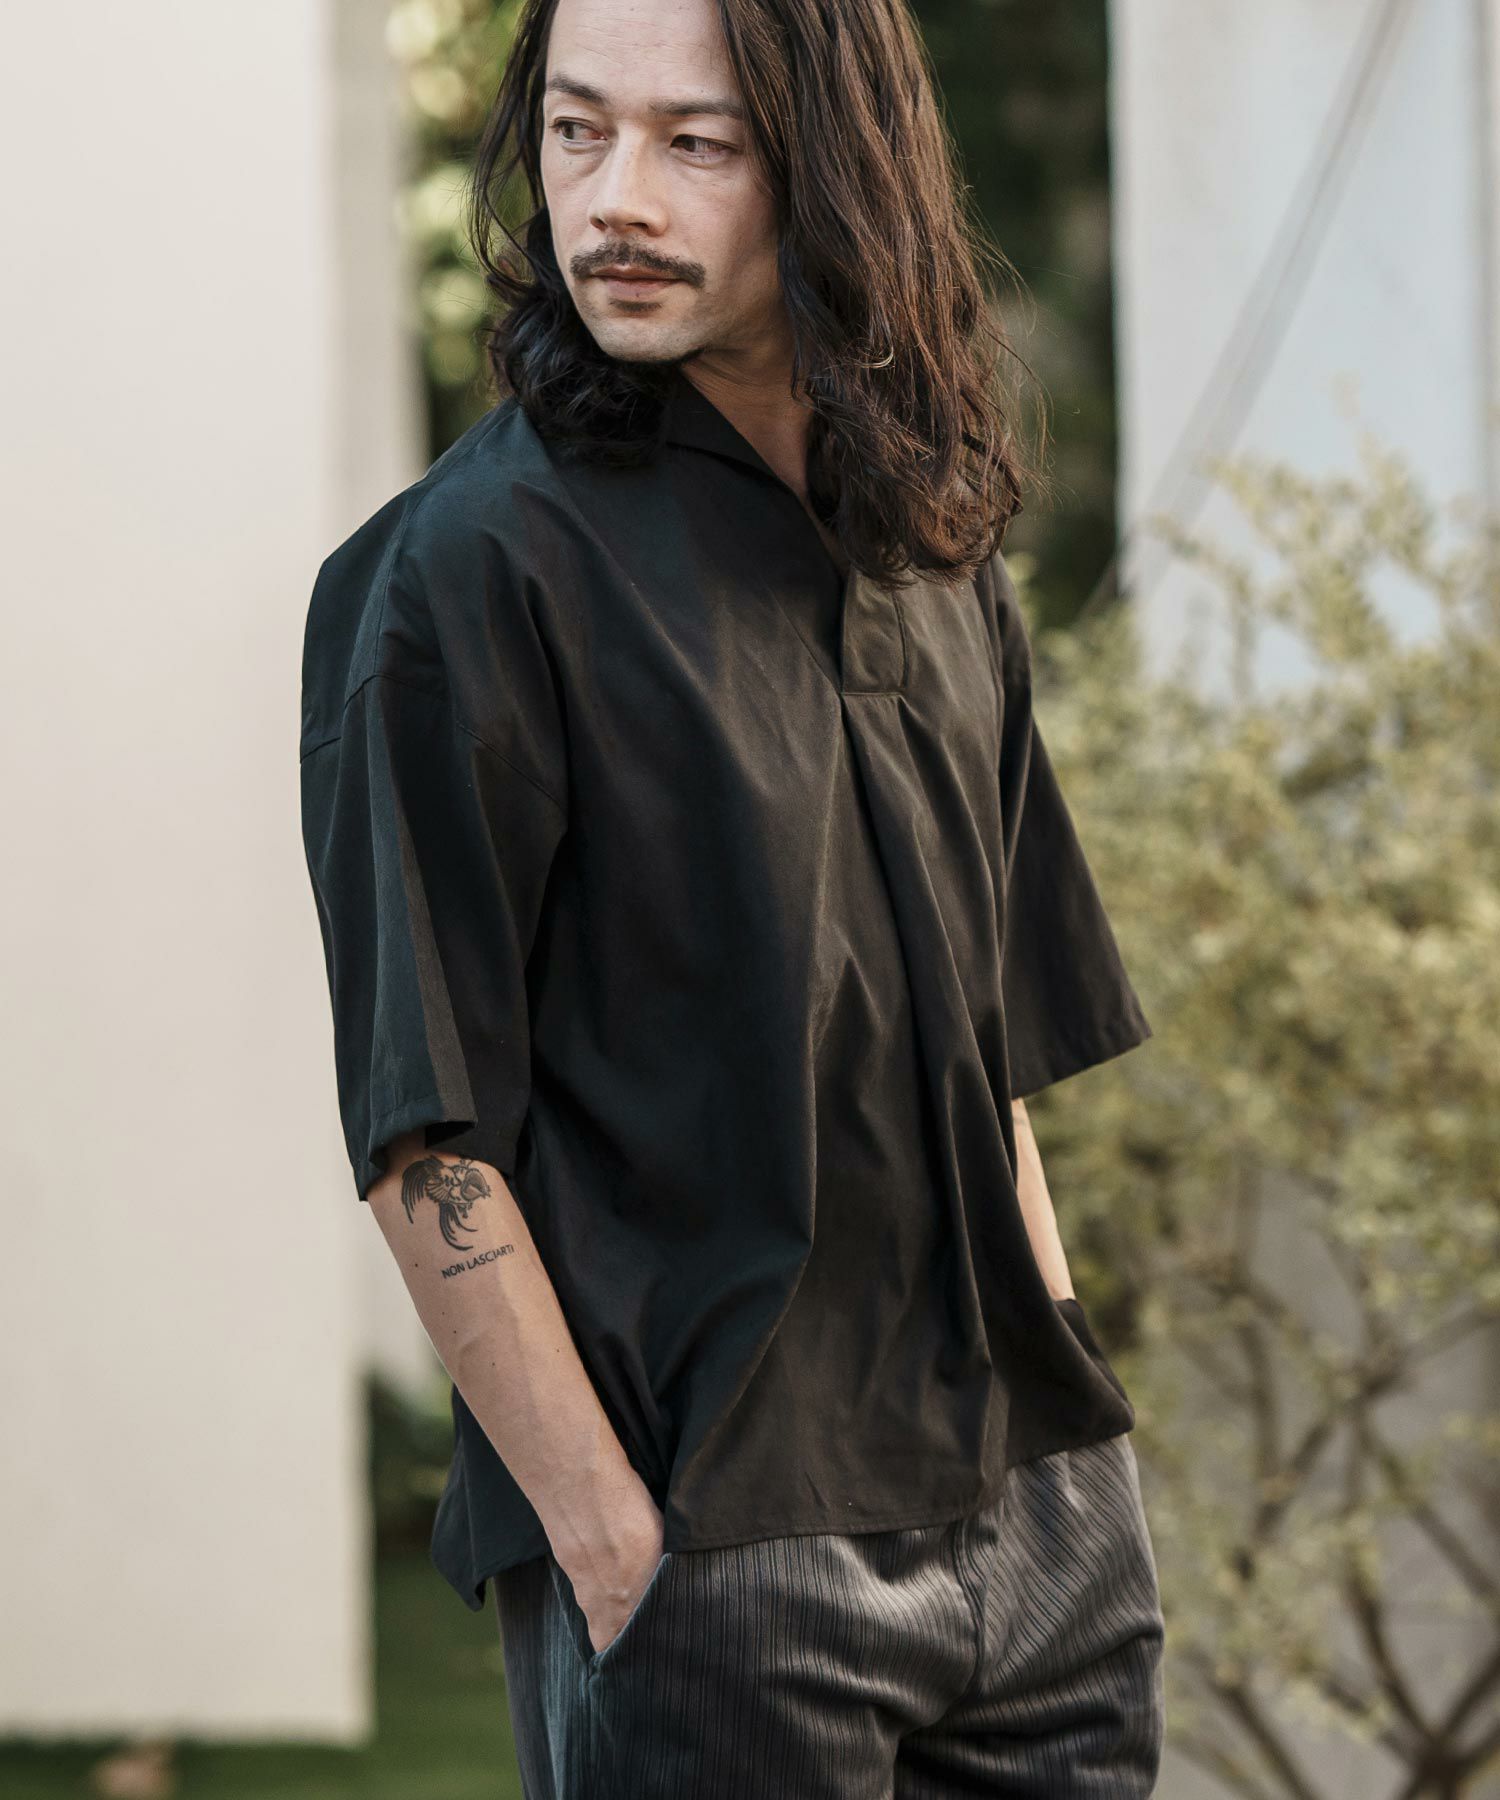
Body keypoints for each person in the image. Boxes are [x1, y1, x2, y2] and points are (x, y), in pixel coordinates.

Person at [298, 0, 1167, 1788]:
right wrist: (616, 1548)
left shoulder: (930, 542)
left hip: (1037, 1540)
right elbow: (423, 1132)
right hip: (715, 1566)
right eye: (577, 130)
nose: (615, 198)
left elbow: (989, 1063)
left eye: (695, 143)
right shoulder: (463, 574)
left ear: (838, 167)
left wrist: (1078, 1457)